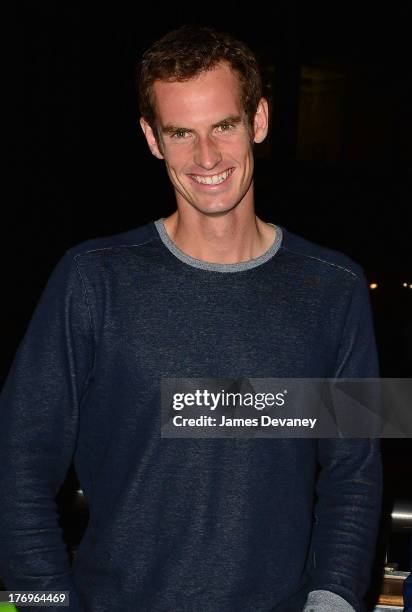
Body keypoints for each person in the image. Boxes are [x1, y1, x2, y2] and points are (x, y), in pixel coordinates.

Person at [0, 25, 382, 612]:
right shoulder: (91, 279)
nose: (206, 157)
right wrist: (46, 604)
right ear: (153, 139)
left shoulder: (334, 287)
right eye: (182, 133)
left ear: (258, 120)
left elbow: (354, 474)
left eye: (224, 126)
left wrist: (331, 601)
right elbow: (15, 467)